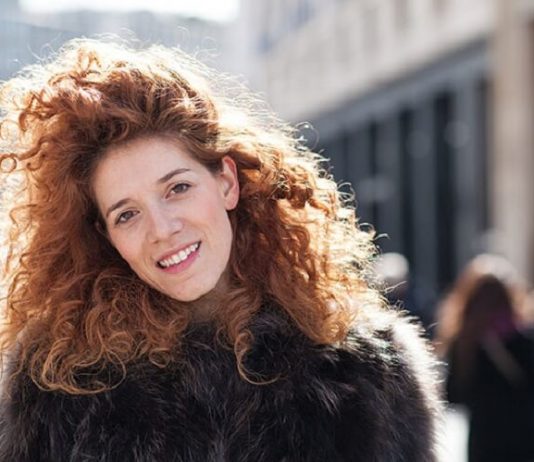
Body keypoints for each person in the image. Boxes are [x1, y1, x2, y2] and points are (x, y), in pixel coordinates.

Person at [0, 38, 440, 461]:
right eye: (127, 214)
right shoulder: (57, 385)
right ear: (106, 236)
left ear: (227, 182)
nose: (162, 229)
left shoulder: (367, 370)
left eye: (178, 188)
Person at [435, 254, 534, 462]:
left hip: (484, 442)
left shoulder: (464, 341)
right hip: (523, 439)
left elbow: (453, 395)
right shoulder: (523, 337)